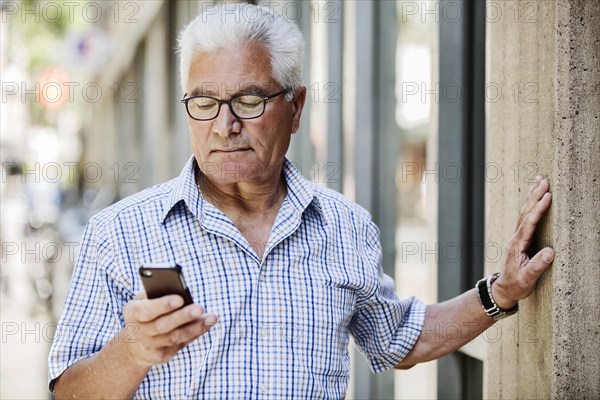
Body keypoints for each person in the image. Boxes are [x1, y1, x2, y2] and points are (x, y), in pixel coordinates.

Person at [48, 3, 555, 399]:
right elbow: (71, 392)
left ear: (296, 108)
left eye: (249, 101)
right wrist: (133, 350)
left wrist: (503, 292)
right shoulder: (120, 232)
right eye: (204, 102)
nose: (225, 126)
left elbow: (404, 338)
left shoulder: (344, 226)